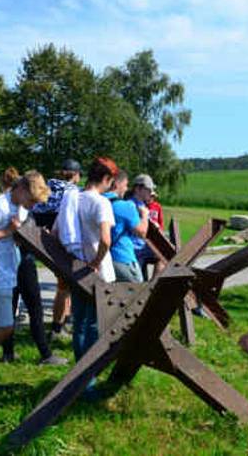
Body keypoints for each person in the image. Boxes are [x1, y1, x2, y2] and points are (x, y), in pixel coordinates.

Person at [0, 171, 56, 393]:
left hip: (6, 270)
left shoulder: (17, 205)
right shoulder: (0, 206)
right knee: (5, 327)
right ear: (22, 189)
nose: (33, 205)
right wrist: (8, 231)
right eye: (32, 200)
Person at [1, 168, 68, 366]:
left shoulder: (12, 203)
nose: (33, 205)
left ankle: (8, 353)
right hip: (21, 262)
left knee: (11, 308)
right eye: (33, 201)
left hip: (14, 261)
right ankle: (45, 355)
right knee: (34, 308)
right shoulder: (12, 206)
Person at [72, 157, 117, 370]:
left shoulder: (74, 199)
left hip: (75, 268)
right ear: (106, 178)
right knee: (93, 325)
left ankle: (78, 371)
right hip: (97, 270)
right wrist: (96, 262)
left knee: (78, 324)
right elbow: (106, 240)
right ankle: (86, 378)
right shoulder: (101, 202)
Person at [44, 160, 83, 340]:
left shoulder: (47, 188)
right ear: (76, 175)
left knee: (63, 287)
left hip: (43, 242)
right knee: (66, 288)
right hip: (65, 243)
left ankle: (61, 324)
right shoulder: (73, 192)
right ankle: (58, 327)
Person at [103, 170, 149, 283]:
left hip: (102, 259)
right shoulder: (125, 206)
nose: (126, 189)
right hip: (122, 258)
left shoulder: (97, 201)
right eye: (125, 185)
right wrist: (144, 215)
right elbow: (142, 232)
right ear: (117, 184)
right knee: (137, 294)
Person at [130, 174, 164, 280]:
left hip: (142, 246)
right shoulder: (131, 205)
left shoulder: (142, 205)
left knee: (164, 254)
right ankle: (151, 288)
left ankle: (152, 286)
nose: (151, 191)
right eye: (148, 189)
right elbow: (139, 231)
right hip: (135, 249)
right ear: (138, 188)